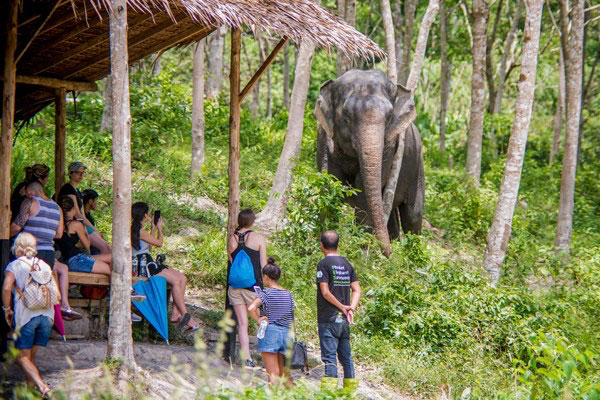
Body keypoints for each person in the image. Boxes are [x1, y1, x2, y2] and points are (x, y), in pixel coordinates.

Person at [9, 182, 82, 321]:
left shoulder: (30, 202)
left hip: (29, 251)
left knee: (22, 288)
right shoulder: (57, 208)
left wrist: (5, 234)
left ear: (30, 192)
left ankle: (19, 323)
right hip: (48, 253)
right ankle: (44, 322)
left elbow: (17, 227)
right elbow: (59, 234)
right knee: (42, 290)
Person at [56, 196, 145, 304]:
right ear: (73, 210)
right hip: (77, 260)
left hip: (72, 259)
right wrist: (85, 232)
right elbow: (87, 246)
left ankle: (125, 289)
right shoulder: (77, 224)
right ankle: (125, 291)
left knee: (113, 258)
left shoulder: (59, 226)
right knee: (109, 269)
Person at [2, 233, 58, 397]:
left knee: (21, 358)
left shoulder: (15, 265)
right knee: (30, 357)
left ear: (16, 247)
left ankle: (42, 387)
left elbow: (6, 288)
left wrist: (7, 310)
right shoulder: (45, 265)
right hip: (47, 316)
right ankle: (29, 390)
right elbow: (58, 295)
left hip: (27, 316)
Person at [131, 202, 199, 331]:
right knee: (176, 280)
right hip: (144, 264)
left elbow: (148, 247)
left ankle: (175, 314)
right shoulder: (139, 230)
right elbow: (159, 244)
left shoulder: (138, 229)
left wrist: (153, 229)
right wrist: (160, 229)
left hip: (146, 260)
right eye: (148, 213)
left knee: (182, 278)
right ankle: (185, 315)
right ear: (145, 215)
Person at [316, 231, 361, 393]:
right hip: (344, 321)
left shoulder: (323, 265)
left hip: (328, 318)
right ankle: (349, 394)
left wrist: (342, 307)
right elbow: (357, 290)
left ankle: (328, 395)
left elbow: (326, 292)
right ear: (338, 245)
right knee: (346, 358)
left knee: (329, 359)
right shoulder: (347, 264)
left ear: (322, 245)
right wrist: (351, 308)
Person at [227, 208, 267, 369]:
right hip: (254, 287)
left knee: (242, 324)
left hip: (235, 287)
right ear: (252, 221)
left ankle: (247, 360)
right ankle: (267, 357)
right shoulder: (258, 238)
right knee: (262, 321)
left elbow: (232, 262)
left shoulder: (232, 239)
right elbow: (263, 265)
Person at [248, 257, 295, 387]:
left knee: (273, 374)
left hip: (271, 333)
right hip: (286, 334)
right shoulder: (288, 294)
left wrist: (258, 319)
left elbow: (251, 308)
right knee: (285, 374)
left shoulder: (266, 293)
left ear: (266, 277)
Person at [58, 162, 111, 254]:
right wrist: (95, 230)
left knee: (106, 246)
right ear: (70, 173)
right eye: (78, 172)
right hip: (73, 224)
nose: (81, 175)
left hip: (80, 224)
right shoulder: (68, 189)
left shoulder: (77, 191)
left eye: (83, 173)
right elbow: (78, 214)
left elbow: (83, 215)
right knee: (104, 247)